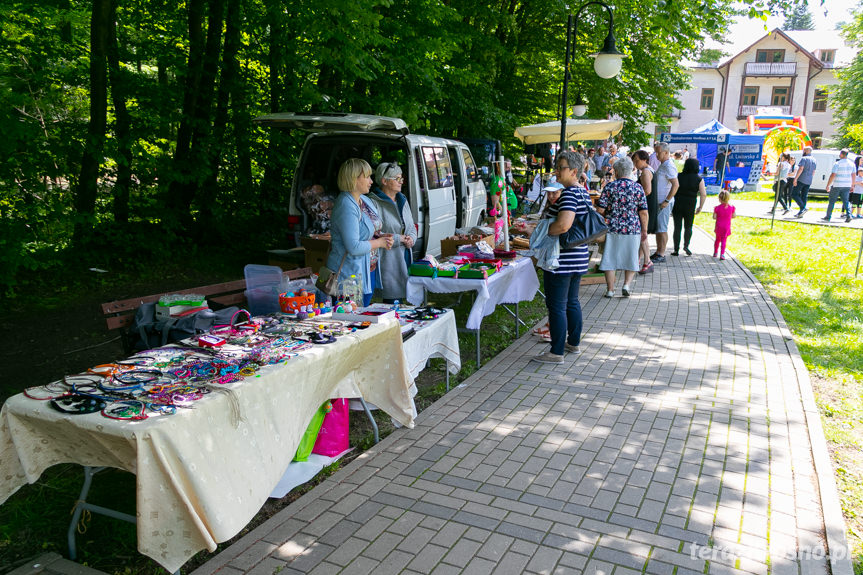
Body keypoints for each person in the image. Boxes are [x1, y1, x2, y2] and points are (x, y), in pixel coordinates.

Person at [532, 151, 590, 364]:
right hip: (578, 256)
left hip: (561, 259)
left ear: (574, 171)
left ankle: (556, 352)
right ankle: (572, 343)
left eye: (561, 167)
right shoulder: (582, 191)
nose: (556, 171)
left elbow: (564, 224)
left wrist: (542, 232)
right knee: (571, 302)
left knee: (556, 305)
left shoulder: (568, 194)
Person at [327, 158, 393, 306]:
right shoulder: (346, 204)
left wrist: (382, 237)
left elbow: (369, 231)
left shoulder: (364, 200)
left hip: (367, 271)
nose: (371, 181)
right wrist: (379, 242)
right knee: (351, 321)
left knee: (361, 317)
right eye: (367, 177)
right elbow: (353, 247)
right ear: (354, 179)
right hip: (348, 276)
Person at [595, 156, 648, 298]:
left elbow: (600, 210)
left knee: (609, 259)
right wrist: (644, 230)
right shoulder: (638, 188)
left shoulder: (610, 186)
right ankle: (626, 285)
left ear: (616, 172)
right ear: (631, 171)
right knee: (631, 258)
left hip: (612, 228)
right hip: (632, 228)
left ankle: (610, 290)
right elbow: (643, 212)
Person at [369, 162, 417, 302]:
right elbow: (374, 232)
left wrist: (411, 239)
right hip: (388, 259)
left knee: (404, 301)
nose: (401, 181)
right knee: (392, 302)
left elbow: (411, 226)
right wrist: (399, 238)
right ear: (384, 181)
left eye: (401, 178)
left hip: (405, 255)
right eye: (397, 178)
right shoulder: (374, 202)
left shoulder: (402, 199)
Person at [671, 158, 707, 256]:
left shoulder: (678, 176)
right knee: (688, 227)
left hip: (677, 203)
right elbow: (703, 194)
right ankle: (686, 246)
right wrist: (700, 207)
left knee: (677, 227)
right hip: (690, 204)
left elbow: (673, 188)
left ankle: (676, 249)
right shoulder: (699, 179)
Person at [651, 142, 679, 263]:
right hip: (660, 201)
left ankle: (661, 253)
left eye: (658, 152)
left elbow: (675, 184)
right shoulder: (663, 164)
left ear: (666, 152)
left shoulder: (669, 165)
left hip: (664, 202)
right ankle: (658, 251)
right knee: (659, 228)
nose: (656, 155)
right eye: (655, 152)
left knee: (662, 228)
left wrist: (666, 201)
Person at [632, 150, 656, 275]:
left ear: (644, 159)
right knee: (642, 233)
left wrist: (635, 200)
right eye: (634, 161)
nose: (635, 163)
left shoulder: (646, 172)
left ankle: (647, 261)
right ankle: (638, 260)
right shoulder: (648, 170)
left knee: (643, 234)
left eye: (636, 160)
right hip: (647, 206)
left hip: (645, 207)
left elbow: (647, 191)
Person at [823, 149, 856, 223]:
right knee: (846, 201)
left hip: (837, 184)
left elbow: (833, 175)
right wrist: (852, 185)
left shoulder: (837, 163)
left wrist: (828, 185)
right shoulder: (852, 164)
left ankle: (828, 216)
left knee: (832, 201)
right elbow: (853, 175)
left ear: (841, 154)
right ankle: (849, 215)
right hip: (847, 185)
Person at [791, 146, 817, 217]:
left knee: (794, 194)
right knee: (804, 196)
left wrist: (796, 178)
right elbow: (814, 171)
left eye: (804, 151)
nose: (803, 152)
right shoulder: (814, 159)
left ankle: (803, 208)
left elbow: (801, 169)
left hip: (802, 179)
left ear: (805, 151)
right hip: (809, 180)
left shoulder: (804, 158)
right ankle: (801, 212)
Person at [713, 189, 735, 260]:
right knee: (724, 240)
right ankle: (722, 254)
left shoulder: (717, 208)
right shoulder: (731, 207)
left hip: (719, 226)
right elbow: (734, 216)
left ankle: (715, 252)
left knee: (717, 240)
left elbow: (714, 217)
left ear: (719, 199)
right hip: (726, 227)